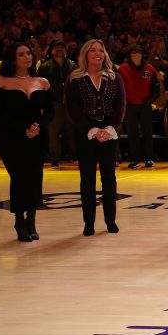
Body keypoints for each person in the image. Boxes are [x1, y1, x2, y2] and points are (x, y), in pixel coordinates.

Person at [0, 43, 52, 242]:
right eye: (21, 54)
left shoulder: (42, 81)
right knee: (19, 177)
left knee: (35, 177)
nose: (27, 57)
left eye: (28, 53)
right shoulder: (0, 81)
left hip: (37, 136)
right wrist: (22, 129)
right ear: (12, 58)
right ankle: (19, 219)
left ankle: (31, 220)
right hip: (11, 137)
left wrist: (38, 126)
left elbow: (50, 112)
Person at [66, 39, 127, 236]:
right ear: (85, 54)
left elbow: (120, 105)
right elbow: (73, 109)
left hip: (109, 133)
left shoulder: (114, 77)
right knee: (87, 180)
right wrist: (92, 130)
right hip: (85, 134)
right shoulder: (74, 78)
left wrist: (108, 129)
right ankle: (89, 223)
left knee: (109, 179)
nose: (97, 53)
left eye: (101, 50)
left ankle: (111, 221)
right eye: (92, 50)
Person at [119, 45, 160, 169]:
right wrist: (124, 101)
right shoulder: (123, 69)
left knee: (147, 133)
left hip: (145, 105)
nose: (136, 57)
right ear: (130, 56)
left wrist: (151, 100)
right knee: (132, 134)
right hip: (130, 106)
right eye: (133, 54)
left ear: (142, 55)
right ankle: (134, 160)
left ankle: (148, 159)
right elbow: (119, 86)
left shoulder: (149, 68)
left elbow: (156, 86)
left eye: (138, 54)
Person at [37, 40, 76, 167]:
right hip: (53, 103)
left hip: (70, 103)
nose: (60, 49)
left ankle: (73, 156)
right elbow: (40, 86)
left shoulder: (73, 66)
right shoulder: (45, 66)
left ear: (66, 51)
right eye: (57, 47)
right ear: (52, 50)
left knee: (71, 131)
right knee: (52, 132)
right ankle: (55, 157)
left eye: (62, 47)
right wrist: (42, 104)